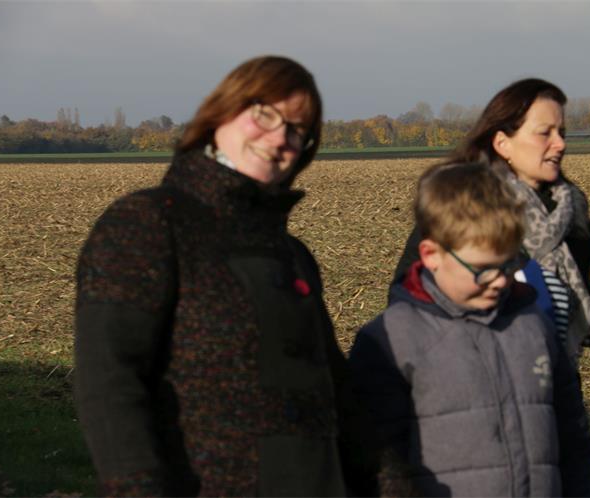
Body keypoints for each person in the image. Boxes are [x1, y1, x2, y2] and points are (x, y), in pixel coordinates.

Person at [74, 56, 375, 497]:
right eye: (265, 115)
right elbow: (109, 384)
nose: (280, 138)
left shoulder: (291, 254)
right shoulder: (149, 224)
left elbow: (338, 396)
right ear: (221, 112)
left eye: (297, 130)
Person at [349, 163, 590, 496]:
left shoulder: (534, 324)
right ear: (431, 255)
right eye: (483, 269)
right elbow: (375, 466)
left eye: (509, 264)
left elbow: (573, 439)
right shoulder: (390, 341)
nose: (499, 280)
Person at [393, 78, 590, 362]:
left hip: (554, 382)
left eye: (562, 133)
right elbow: (405, 300)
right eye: (545, 133)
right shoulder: (459, 207)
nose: (560, 144)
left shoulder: (572, 214)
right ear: (503, 143)